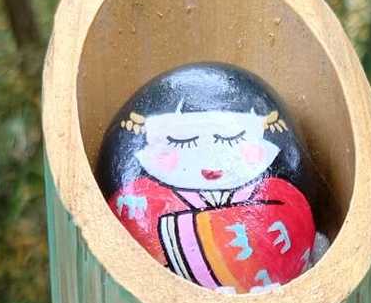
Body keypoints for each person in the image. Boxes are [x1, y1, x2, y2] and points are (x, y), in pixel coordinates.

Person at [95, 61, 320, 290]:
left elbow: (294, 231)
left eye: (230, 140)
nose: (209, 160)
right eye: (183, 142)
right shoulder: (140, 198)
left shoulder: (281, 196)